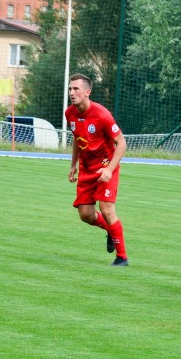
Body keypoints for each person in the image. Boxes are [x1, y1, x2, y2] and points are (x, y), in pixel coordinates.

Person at [66, 73, 129, 265]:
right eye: (70, 89)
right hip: (86, 169)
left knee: (106, 209)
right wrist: (73, 165)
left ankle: (122, 257)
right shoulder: (69, 113)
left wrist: (109, 169)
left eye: (76, 89)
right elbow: (77, 138)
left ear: (87, 92)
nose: (72, 92)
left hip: (105, 167)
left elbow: (122, 144)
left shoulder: (102, 115)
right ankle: (110, 230)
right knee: (85, 215)